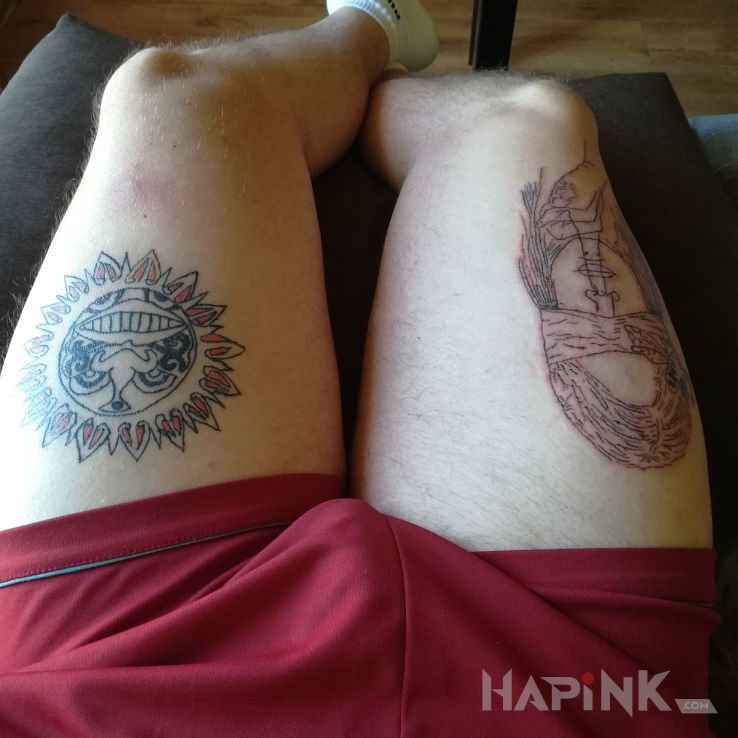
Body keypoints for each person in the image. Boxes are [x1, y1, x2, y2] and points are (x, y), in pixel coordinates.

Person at [0, 0, 717, 735]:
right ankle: (372, 73)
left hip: (107, 671)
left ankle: (371, 30)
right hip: (573, 689)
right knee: (534, 119)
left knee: (172, 93)